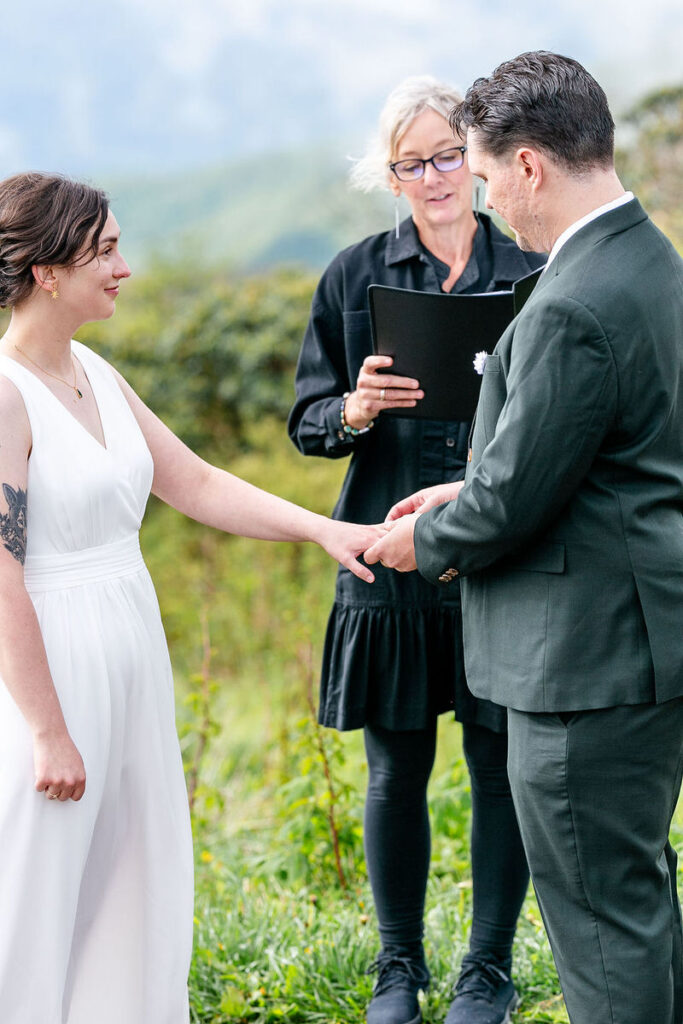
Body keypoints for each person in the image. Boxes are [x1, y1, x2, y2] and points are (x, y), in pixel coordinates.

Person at [0, 171, 384, 1024]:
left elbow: (198, 483)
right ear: (45, 271)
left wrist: (323, 529)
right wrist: (47, 729)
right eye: (104, 251)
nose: (124, 267)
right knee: (39, 889)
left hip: (131, 649)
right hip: (50, 668)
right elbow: (0, 574)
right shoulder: (5, 393)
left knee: (133, 878)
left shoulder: (94, 371)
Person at [365, 51, 683, 1024]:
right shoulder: (650, 261)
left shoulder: (569, 304)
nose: (485, 194)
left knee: (595, 921)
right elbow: (611, 450)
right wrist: (472, 485)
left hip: (582, 659)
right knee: (636, 897)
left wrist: (429, 536)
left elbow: (506, 506)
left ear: (530, 165)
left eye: (486, 171)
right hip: (640, 636)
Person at [288, 76, 544, 1024]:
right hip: (387, 553)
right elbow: (307, 422)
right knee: (394, 771)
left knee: (496, 767)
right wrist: (352, 408)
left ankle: (487, 970)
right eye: (411, 164)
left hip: (497, 557)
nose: (433, 177)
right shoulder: (353, 274)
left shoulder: (530, 267)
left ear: (474, 161)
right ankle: (399, 970)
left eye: (446, 157)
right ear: (388, 176)